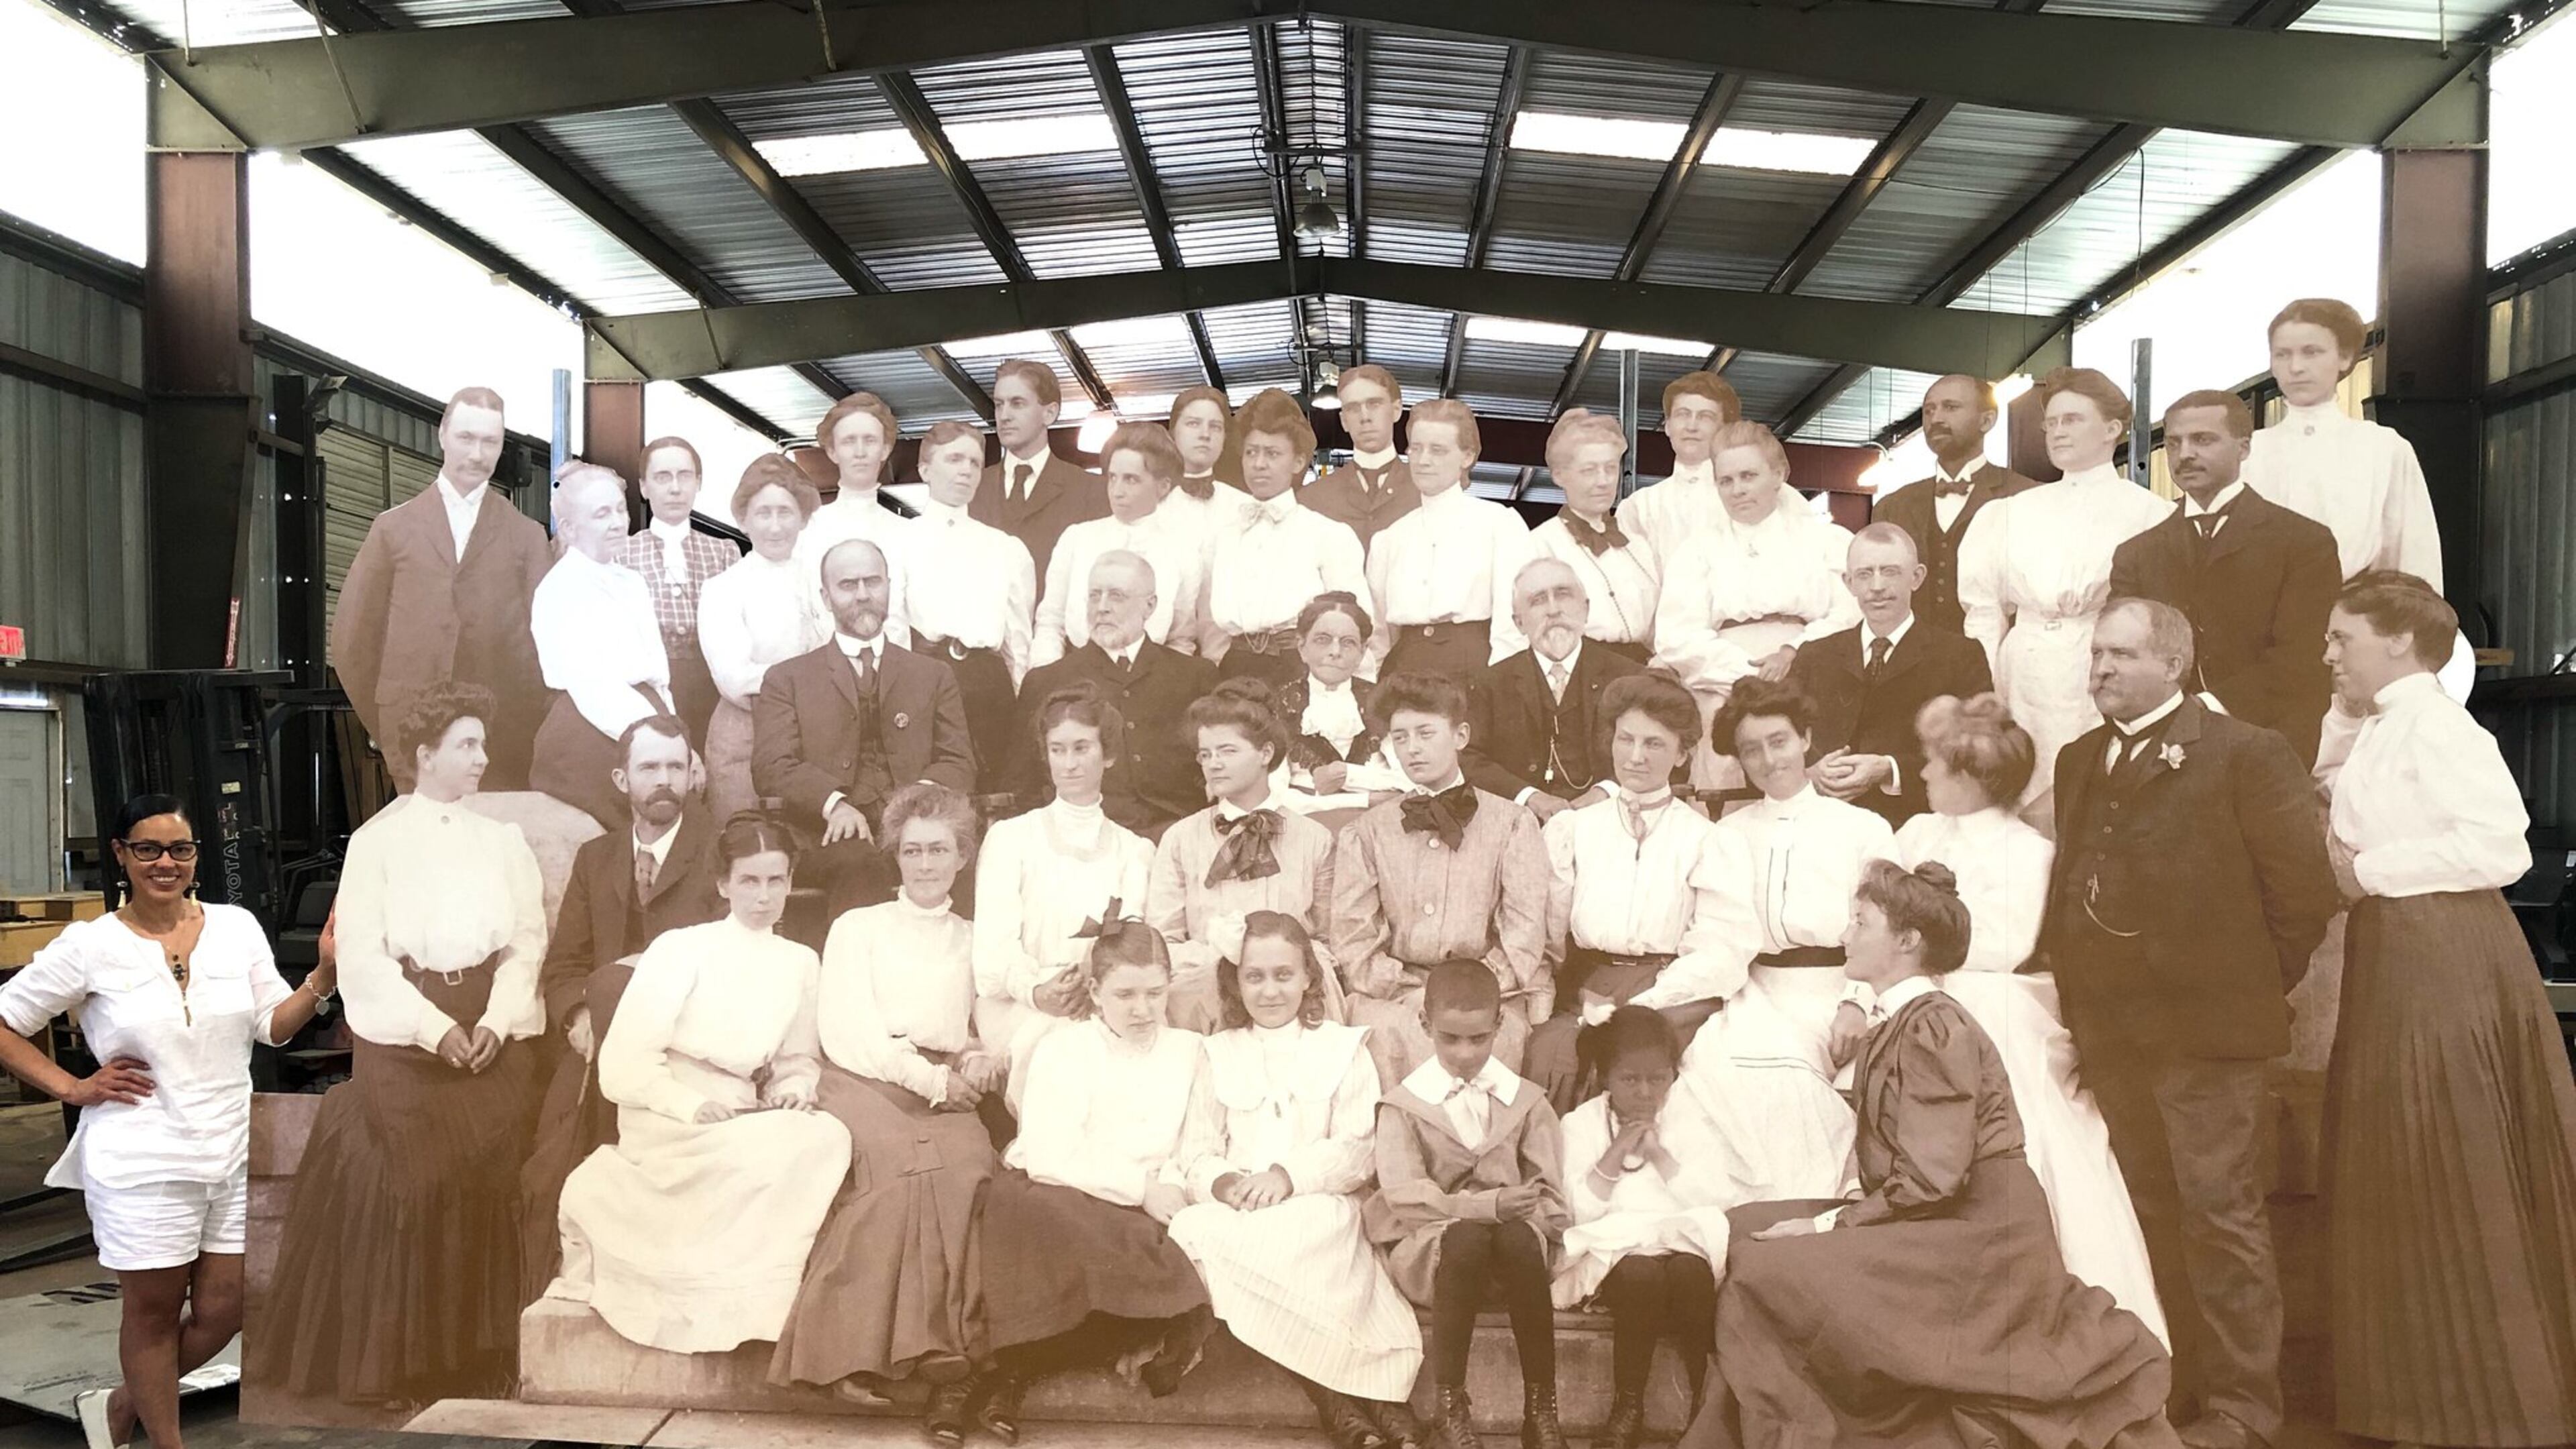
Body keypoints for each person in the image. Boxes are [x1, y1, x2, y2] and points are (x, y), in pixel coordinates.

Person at [1676, 861, 2179, 1449]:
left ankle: (1810, 1431)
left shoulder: (1936, 1027)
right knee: (1745, 1229)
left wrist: (1826, 1224)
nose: (1843, 934)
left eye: (1860, 922)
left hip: (1984, 1235)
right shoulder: (1899, 1022)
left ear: (1907, 941)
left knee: (1767, 1270)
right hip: (1939, 1217)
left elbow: (1932, 1179)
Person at [2040, 598, 2339, 1449]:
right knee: (2145, 1214)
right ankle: (2170, 1395)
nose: (2101, 668)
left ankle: (2244, 1412)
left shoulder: (2247, 752)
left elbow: (2303, 898)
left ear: (2173, 665)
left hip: (2209, 1040)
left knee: (2221, 1218)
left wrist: (2239, 991)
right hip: (2114, 1039)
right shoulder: (2079, 758)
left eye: (2121, 655)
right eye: (2097, 654)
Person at [2315, 572, 2576, 1449]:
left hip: (2444, 955)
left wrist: (2367, 875)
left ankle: (2485, 1407)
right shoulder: (2381, 726)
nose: (2329, 654)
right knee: (2399, 1153)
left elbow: (2499, 847)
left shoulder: (2440, 726)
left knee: (2446, 1148)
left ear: (2398, 641)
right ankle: (2416, 1402)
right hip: (2397, 950)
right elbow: (2343, 801)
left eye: (2342, 638)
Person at [2, 794, 332, 1449]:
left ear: (196, 857)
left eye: (180, 849)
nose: (165, 863)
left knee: (226, 1310)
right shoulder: (91, 946)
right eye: (148, 849)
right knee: (152, 1316)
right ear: (121, 855)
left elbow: (273, 1027)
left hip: (232, 1151)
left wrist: (324, 975)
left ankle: (120, 1406)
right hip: (143, 1158)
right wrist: (72, 1086)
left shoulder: (235, 928)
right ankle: (165, 1442)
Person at [254, 682, 548, 1405]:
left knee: (498, 1165)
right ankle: (407, 1367)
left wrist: (495, 1021)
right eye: (467, 745)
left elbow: (527, 944)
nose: (481, 758)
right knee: (419, 1176)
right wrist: (436, 1031)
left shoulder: (504, 842)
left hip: (491, 1023)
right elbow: (361, 959)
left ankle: (484, 1358)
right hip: (406, 1034)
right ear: (425, 755)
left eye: (483, 744)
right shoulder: (376, 844)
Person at [1896, 694, 2169, 1349]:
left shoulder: (2025, 850)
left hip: (1990, 999)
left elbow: (2004, 943)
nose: (1924, 773)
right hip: (1912, 991)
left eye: (1935, 763)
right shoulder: (1915, 834)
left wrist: (1919, 944)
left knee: (2027, 1131)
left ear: (1971, 777)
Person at [548, 814, 851, 1354]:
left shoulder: (801, 962)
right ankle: (706, 1296)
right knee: (778, 1150)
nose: (763, 897)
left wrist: (794, 1087)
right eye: (749, 881)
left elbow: (799, 1057)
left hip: (742, 1112)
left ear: (790, 882)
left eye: (775, 880)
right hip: (665, 1113)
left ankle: (756, 1302)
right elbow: (623, 1065)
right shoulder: (682, 949)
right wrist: (690, 1105)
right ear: (723, 885)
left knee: (826, 1136)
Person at [771, 784, 1008, 1440]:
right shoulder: (859, 927)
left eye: (939, 850)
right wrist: (928, 1080)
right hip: (862, 1078)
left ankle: (941, 1349)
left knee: (969, 1166)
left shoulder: (975, 939)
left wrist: (980, 1060)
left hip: (944, 1082)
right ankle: (838, 1357)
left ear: (963, 856)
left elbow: (981, 1029)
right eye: (912, 851)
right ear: (895, 857)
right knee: (903, 1168)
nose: (925, 864)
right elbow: (850, 1031)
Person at [1626, 679, 1889, 1207]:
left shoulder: (1863, 828)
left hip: (1839, 990)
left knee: (1787, 1084)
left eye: (1779, 742)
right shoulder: (1730, 832)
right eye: (1751, 750)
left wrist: (1857, 1004)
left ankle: (1807, 1211)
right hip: (1755, 993)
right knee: (1712, 1070)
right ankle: (1727, 1213)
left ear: (1806, 739)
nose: (1769, 761)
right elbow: (1720, 941)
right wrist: (1650, 1002)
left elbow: (1883, 929)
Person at [1166, 914, 1422, 1449]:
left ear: (1308, 976)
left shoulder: (1344, 1047)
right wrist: (1225, 1183)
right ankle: (1341, 1400)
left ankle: (1367, 1404)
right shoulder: (1217, 1052)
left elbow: (1358, 1148)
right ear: (1236, 982)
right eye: (1254, 977)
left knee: (1309, 1227)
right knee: (1193, 1229)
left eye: (1283, 975)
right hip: (1242, 1212)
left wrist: (1289, 1175)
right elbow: (1198, 1150)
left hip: (1317, 1204)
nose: (1270, 990)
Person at [973, 920, 1214, 1441]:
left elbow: (1196, 1139)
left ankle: (1059, 1354)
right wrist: (1139, 1188)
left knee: (1163, 1257)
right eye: (1125, 995)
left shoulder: (1191, 1050)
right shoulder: (1066, 1048)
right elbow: (1050, 1152)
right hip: (1072, 1187)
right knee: (1036, 1213)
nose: (1142, 1009)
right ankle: (1010, 1373)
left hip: (1146, 1202)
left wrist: (1169, 1184)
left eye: (1155, 993)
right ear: (1096, 991)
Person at [519, 716, 727, 1296]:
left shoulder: (720, 853)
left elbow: (730, 963)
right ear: (622, 779)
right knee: (550, 1165)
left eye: (676, 767)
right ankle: (560, 1293)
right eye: (649, 767)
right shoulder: (597, 858)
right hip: (596, 1043)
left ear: (692, 775)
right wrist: (577, 1018)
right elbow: (564, 963)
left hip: (685, 1050)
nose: (664, 780)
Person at [1365, 959, 1571, 1449]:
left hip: (1512, 1265)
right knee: (1467, 1238)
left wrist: (1522, 1211)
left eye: (1479, 1039)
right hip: (1438, 1259)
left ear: (1500, 1024)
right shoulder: (1405, 1106)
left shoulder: (1526, 1101)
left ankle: (1541, 1412)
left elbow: (1548, 1193)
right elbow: (1407, 1199)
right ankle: (1451, 1407)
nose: (1465, 1053)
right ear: (1425, 1025)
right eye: (1450, 1039)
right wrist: (1487, 1207)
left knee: (1518, 1238)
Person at [1957, 366, 2171, 818]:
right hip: (2023, 672)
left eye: (2072, 420)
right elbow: (1984, 612)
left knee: (2090, 792)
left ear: (2111, 429)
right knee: (2017, 791)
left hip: (2096, 664)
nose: (2057, 432)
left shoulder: (2150, 513)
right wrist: (1985, 686)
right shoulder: (2010, 512)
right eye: (2051, 423)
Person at [1525, 672, 1743, 1112]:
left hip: (1672, 991)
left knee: (1641, 1057)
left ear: (1682, 753)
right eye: (1626, 740)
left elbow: (1721, 946)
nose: (1636, 757)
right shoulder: (1576, 829)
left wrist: (1650, 1001)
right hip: (1590, 985)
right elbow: (1547, 933)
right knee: (1554, 1052)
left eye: (1654, 744)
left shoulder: (1705, 839)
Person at [2253, 297, 2476, 714]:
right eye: (2283, 354)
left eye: (2312, 352)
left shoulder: (2381, 447)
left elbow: (2411, 553)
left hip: (2356, 633)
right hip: (2262, 637)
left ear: (2344, 358)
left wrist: (2407, 641)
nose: (2296, 367)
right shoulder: (2248, 453)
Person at [1331, 672, 1550, 1083]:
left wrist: (1475, 989)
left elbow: (1524, 932)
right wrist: (1403, 986)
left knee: (1488, 1043)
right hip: (1396, 995)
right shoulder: (1368, 832)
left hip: (1488, 995)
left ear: (1460, 736)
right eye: (1400, 738)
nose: (1412, 748)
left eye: (1426, 733)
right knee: (1388, 1039)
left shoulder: (1512, 824)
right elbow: (1353, 936)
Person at [330, 386, 550, 789]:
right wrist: (390, 727)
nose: (477, 454)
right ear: (442, 435)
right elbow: (351, 643)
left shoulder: (528, 537)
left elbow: (551, 648)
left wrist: (526, 727)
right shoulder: (393, 530)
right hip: (415, 743)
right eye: (466, 438)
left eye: (490, 442)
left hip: (503, 748)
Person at [2109, 390, 2340, 765]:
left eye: (2203, 440)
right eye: (2174, 443)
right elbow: (2120, 652)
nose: (2185, 454)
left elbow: (2302, 656)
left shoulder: (2303, 542)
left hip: (2270, 741)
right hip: (2160, 747)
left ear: (2243, 448)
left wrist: (2205, 707)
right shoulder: (2137, 554)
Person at [752, 538, 973, 918]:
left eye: (872, 582)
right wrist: (835, 805)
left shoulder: (933, 675)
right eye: (847, 585)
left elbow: (959, 761)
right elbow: (772, 766)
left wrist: (914, 808)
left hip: (918, 829)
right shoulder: (788, 679)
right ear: (825, 598)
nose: (863, 595)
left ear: (889, 587)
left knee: (957, 855)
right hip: (826, 838)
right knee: (859, 862)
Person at [1553, 1008, 1733, 1449]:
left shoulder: (1691, 1121)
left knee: (1690, 1273)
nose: (1645, 1092)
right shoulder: (1580, 1125)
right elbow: (1578, 1213)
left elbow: (1715, 1199)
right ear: (1605, 1077)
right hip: (1615, 1250)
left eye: (1658, 1079)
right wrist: (1617, 1150)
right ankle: (1628, 1407)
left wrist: (1658, 1154)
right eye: (1630, 1080)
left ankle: (1704, 1404)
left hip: (1679, 1242)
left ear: (1674, 1076)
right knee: (1642, 1276)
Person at [1651, 421, 1858, 794]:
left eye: (1748, 476)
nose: (1738, 490)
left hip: (1809, 676)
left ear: (1778, 474)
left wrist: (1795, 652)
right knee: (1728, 786)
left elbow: (1849, 613)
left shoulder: (1826, 540)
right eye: (1726, 481)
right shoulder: (1697, 550)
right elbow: (1677, 636)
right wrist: (1749, 678)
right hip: (1723, 686)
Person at [974, 686, 1156, 1108]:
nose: (1069, 764)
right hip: (1021, 1007)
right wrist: (1038, 991)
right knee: (1067, 1051)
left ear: (1108, 755)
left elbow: (1131, 949)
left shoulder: (1134, 851)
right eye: (1058, 750)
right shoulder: (1010, 839)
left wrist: (1093, 989)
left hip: (1102, 1002)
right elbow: (991, 960)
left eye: (1082, 748)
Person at [1148, 680, 1347, 1034]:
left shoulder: (1314, 840)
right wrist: (1225, 954)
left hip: (1294, 1001)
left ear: (1265, 753)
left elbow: (1330, 939)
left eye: (1227, 751)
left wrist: (1277, 962)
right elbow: (1163, 943)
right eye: (1206, 754)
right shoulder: (1180, 839)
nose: (1214, 764)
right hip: (1206, 999)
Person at [1782, 523, 1992, 828]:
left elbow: (1979, 752)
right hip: (1819, 824)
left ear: (1917, 577)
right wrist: (1807, 773)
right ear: (1849, 583)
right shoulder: (1814, 656)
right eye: (1864, 574)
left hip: (1917, 823)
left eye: (1890, 572)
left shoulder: (1959, 656)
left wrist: (1889, 769)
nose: (1877, 586)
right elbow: (1779, 734)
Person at [1014, 551, 1218, 836]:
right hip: (1080, 837)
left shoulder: (1195, 678)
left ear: (1150, 606)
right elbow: (1022, 789)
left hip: (1177, 836)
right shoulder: (1047, 682)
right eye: (1094, 596)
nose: (1102, 608)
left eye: (1117, 596)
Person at [529, 461, 676, 829]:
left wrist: (674, 732)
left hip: (649, 721)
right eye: (601, 514)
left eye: (620, 509)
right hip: (591, 731)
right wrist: (653, 740)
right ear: (569, 528)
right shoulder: (560, 588)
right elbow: (592, 685)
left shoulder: (632, 582)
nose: (617, 522)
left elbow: (658, 676)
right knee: (623, 838)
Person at [1362, 398, 1534, 682]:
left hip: (1474, 670)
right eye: (1416, 448)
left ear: (1467, 457)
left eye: (1438, 450)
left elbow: (1512, 626)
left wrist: (1501, 688)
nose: (1423, 460)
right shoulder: (1388, 539)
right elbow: (1379, 635)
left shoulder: (1499, 523)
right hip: (1403, 671)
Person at [1203, 389, 1368, 686]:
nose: (1259, 464)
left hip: (1301, 671)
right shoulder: (1225, 536)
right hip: (1235, 670)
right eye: (1251, 452)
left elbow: (1356, 626)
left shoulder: (1329, 535)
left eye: (1272, 453)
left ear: (1298, 462)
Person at [698, 455, 829, 822]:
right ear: (743, 520)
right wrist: (812, 681)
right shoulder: (723, 589)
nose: (775, 526)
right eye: (763, 513)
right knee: (746, 839)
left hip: (818, 735)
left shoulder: (822, 582)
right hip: (745, 739)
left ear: (803, 518)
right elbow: (735, 678)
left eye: (785, 512)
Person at [1463, 557, 1645, 819]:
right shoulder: (1489, 685)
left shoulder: (1631, 677)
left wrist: (1607, 791)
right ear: (1519, 623)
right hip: (1519, 827)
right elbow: (1467, 757)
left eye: (1563, 595)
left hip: (1614, 821)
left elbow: (1663, 751)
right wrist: (1528, 797)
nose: (1553, 610)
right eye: (1537, 600)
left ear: (1586, 609)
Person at [908, 420, 1040, 780]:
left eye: (974, 463)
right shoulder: (900, 539)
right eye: (954, 459)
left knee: (992, 785)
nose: (966, 470)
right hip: (923, 677)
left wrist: (1021, 705)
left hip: (987, 686)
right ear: (925, 470)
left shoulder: (1005, 548)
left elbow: (1018, 641)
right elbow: (893, 625)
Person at [1868, 374, 2037, 637]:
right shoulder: (1892, 507)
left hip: (1996, 652)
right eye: (1929, 410)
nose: (1936, 419)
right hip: (1911, 655)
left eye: (1951, 407)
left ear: (1987, 421)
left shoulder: (2027, 497)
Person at [1033, 421, 1206, 667]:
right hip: (1079, 673)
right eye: (1113, 478)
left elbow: (1181, 639)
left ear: (1163, 486)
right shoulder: (1078, 538)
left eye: (1131, 480)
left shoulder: (1181, 551)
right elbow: (1051, 622)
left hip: (1151, 677)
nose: (1117, 491)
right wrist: (1047, 677)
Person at [615, 435, 737, 747]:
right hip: (648, 696)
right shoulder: (622, 553)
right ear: (644, 487)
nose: (675, 488)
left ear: (698, 483)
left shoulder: (724, 552)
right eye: (662, 477)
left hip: (715, 694)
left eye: (684, 476)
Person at [1527, 409, 1657, 661]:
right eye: (1589, 470)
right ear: (1559, 476)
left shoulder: (1638, 544)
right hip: (1584, 669)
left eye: (1611, 468)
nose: (1603, 481)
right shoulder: (1541, 545)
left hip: (1645, 667)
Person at [794, 392, 918, 647]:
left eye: (870, 440)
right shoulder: (807, 530)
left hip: (895, 667)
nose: (860, 452)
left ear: (885, 449)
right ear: (832, 451)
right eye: (849, 441)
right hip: (823, 665)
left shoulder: (910, 533)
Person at [973, 358, 1110, 585]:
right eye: (999, 404)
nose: (1004, 416)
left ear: (1050, 413)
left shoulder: (1092, 492)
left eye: (1017, 403)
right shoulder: (971, 490)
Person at [1276, 592, 1405, 808]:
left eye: (1348, 643)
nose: (1335, 652)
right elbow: (1274, 794)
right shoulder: (1279, 704)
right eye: (1322, 640)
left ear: (1362, 652)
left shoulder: (1384, 702)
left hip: (1378, 818)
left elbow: (1411, 779)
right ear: (1302, 647)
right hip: (1305, 819)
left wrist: (1347, 775)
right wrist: (1363, 800)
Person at [1613, 370, 1741, 574]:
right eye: (1683, 414)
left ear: (1725, 428)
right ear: (1668, 426)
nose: (1692, 426)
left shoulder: (1751, 498)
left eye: (1705, 417)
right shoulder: (1639, 507)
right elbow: (1629, 581)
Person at [1299, 364, 1417, 546]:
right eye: (1353, 408)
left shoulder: (1427, 493)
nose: (1365, 417)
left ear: (1397, 410)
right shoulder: (1312, 500)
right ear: (1344, 421)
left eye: (1374, 404)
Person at [1154, 385, 1254, 553]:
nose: (1205, 434)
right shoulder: (1148, 506)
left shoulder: (1246, 507)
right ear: (1173, 432)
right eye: (1193, 423)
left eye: (1215, 426)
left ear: (1224, 438)